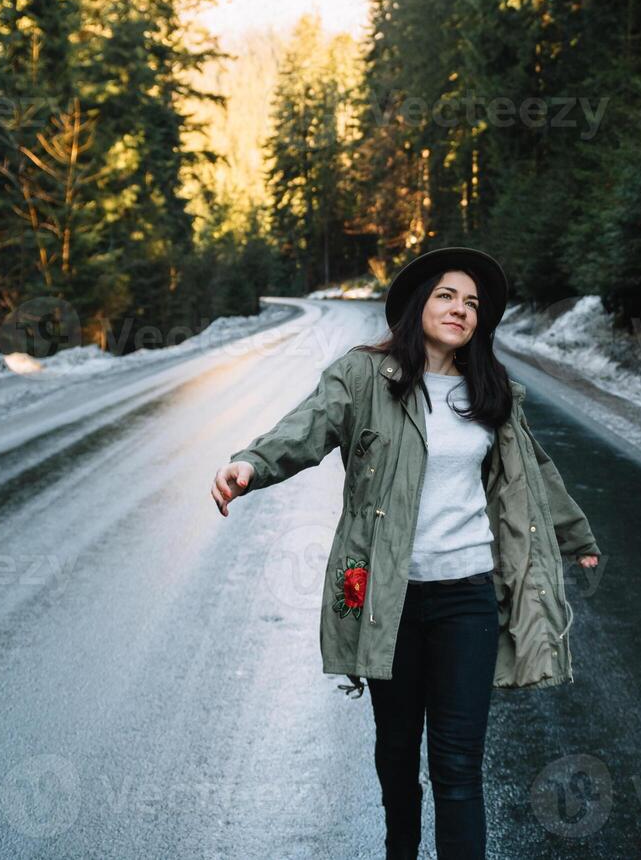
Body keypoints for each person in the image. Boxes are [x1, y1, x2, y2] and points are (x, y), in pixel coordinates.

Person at [211, 246, 601, 860]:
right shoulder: (365, 376)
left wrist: (574, 538)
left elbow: (532, 472)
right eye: (447, 295)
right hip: (388, 601)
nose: (461, 310)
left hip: (468, 599)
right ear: (419, 302)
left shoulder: (490, 390)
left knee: (457, 764)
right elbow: (309, 426)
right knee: (397, 753)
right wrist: (250, 464)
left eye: (472, 303)